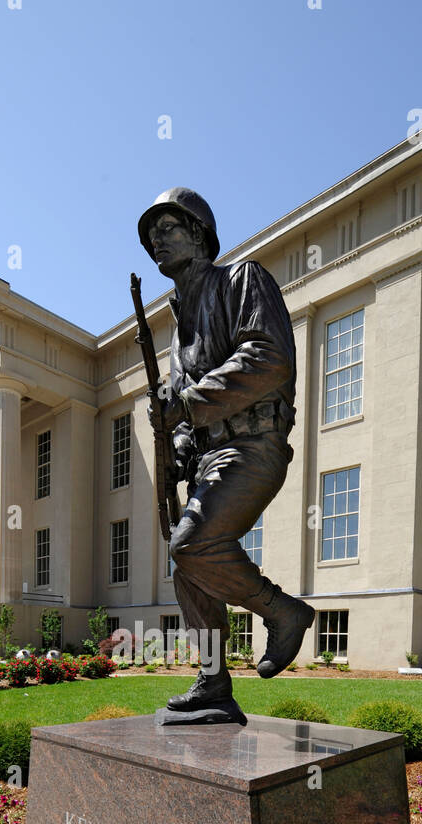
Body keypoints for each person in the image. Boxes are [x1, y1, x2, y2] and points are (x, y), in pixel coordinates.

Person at [137, 188, 316, 715]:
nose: (157, 244)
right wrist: (177, 440)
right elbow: (181, 409)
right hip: (211, 456)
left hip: (254, 444)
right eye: (151, 238)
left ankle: (282, 611)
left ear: (199, 234)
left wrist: (187, 404)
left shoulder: (243, 279)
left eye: (168, 230)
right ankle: (213, 682)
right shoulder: (178, 324)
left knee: (190, 545)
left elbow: (268, 357)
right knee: (185, 566)